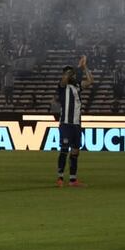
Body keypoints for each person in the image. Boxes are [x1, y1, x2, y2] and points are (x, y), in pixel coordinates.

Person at [56, 56, 94, 187]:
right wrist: (69, 72)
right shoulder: (62, 86)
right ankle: (60, 177)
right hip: (66, 123)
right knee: (64, 149)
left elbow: (90, 81)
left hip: (76, 124)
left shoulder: (77, 85)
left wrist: (84, 68)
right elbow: (64, 79)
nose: (70, 75)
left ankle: (73, 180)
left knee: (76, 151)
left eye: (71, 73)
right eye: (67, 73)